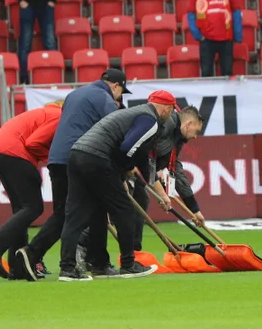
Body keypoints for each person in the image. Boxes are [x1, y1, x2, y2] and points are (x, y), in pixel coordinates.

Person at [13, 69, 130, 280]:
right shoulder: (104, 98)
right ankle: (33, 253)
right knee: (71, 214)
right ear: (115, 85)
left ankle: (99, 262)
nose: (120, 97)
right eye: (121, 91)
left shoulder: (75, 94)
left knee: (89, 210)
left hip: (57, 158)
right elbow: (115, 132)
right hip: (79, 158)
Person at [57, 90, 178, 281]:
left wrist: (155, 188)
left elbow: (141, 159)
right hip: (97, 158)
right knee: (125, 210)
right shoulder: (150, 120)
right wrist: (126, 170)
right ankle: (128, 265)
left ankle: (72, 269)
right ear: (167, 109)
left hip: (77, 154)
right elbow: (128, 148)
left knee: (80, 214)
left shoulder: (134, 113)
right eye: (172, 111)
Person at [0, 100, 64, 278]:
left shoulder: (44, 113)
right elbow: (33, 143)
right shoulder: (59, 116)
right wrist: (53, 160)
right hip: (14, 152)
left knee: (21, 210)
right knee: (33, 208)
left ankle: (16, 268)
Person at [131, 104, 205, 251]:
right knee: (122, 207)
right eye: (196, 131)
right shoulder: (166, 126)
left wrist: (194, 210)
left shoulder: (176, 138)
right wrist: (162, 192)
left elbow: (176, 171)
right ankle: (130, 254)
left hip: (137, 168)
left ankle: (133, 253)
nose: (196, 137)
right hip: (127, 165)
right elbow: (147, 158)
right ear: (189, 124)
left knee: (140, 201)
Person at [188, 0, 243, 77]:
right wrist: (198, 35)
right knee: (206, 73)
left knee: (227, 74)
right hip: (206, 39)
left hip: (226, 38)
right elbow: (191, 14)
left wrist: (237, 35)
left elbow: (236, 12)